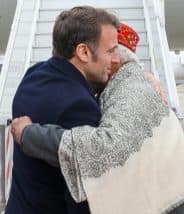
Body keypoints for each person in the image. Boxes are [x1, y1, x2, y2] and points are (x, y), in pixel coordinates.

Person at [10, 23, 184, 214]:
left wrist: (29, 134)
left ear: (116, 62)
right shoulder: (131, 83)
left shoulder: (129, 93)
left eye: (112, 52)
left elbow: (103, 149)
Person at [7, 6, 120, 213]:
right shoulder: (79, 106)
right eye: (111, 50)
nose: (116, 59)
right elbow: (83, 196)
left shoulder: (34, 75)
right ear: (83, 52)